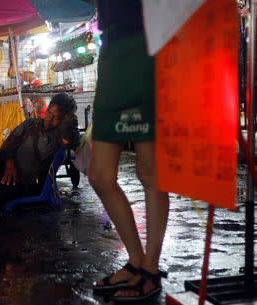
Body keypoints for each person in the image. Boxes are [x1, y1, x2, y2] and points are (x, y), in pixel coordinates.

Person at [90, 1, 170, 302]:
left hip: (148, 45)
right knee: (99, 176)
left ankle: (149, 269)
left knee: (149, 171)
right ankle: (136, 260)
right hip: (111, 51)